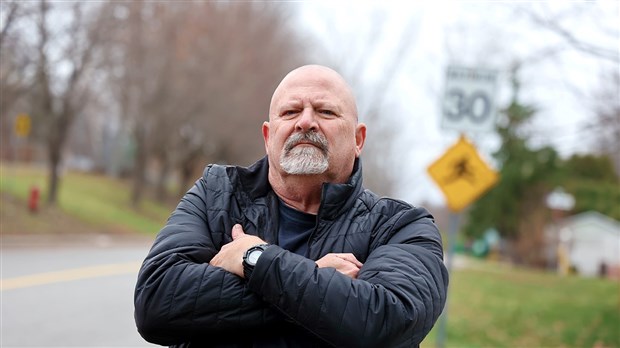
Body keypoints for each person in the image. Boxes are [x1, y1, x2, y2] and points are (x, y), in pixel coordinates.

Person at [134, 65, 448, 348]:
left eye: (325, 112)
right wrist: (317, 277)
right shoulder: (218, 194)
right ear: (268, 136)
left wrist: (253, 259)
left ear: (358, 139)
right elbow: (156, 302)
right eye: (290, 112)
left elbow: (386, 323)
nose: (306, 122)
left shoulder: (401, 226)